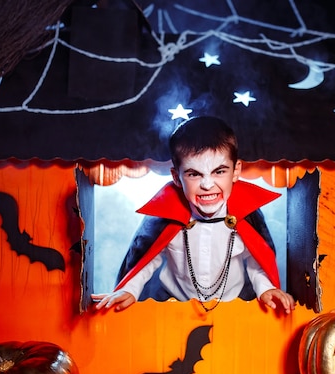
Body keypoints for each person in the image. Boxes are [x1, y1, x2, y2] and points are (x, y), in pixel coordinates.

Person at [93, 116, 295, 313]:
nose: (207, 185)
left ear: (235, 171)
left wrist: (266, 288)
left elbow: (256, 261)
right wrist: (130, 289)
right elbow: (147, 260)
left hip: (233, 307)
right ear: (177, 177)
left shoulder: (247, 216)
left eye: (219, 171)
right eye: (194, 174)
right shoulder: (165, 216)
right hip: (174, 306)